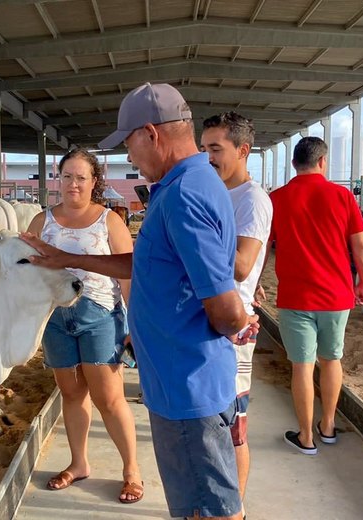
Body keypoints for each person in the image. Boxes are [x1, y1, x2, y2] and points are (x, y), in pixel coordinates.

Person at [23, 82, 257, 520]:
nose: (129, 157)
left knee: (214, 509)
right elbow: (149, 264)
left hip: (189, 384)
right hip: (178, 382)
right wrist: (68, 258)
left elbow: (225, 310)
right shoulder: (184, 185)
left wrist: (241, 318)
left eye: (128, 143)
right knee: (197, 504)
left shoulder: (185, 195)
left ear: (151, 133)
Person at [25, 149, 143, 504]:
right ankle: (79, 463)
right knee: (72, 394)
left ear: (94, 182)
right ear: (58, 179)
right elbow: (25, 270)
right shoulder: (39, 222)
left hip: (100, 318)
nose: (73, 184)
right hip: (56, 320)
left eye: (81, 177)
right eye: (67, 176)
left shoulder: (109, 221)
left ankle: (131, 471)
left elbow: (128, 275)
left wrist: (134, 326)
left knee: (108, 399)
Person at [269, 136, 363, 455]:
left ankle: (305, 436)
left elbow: (260, 247)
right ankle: (327, 426)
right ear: (323, 162)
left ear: (294, 163)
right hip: (336, 297)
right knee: (331, 360)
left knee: (302, 366)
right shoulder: (341, 196)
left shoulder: (277, 198)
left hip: (295, 297)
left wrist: (255, 281)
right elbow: (361, 246)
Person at [200, 111, 273, 512]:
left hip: (234, 326)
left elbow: (243, 265)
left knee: (233, 427)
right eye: (204, 148)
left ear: (243, 150)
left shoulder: (252, 199)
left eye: (216, 148)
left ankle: (235, 509)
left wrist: (190, 245)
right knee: (211, 424)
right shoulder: (217, 192)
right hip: (210, 318)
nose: (208, 157)